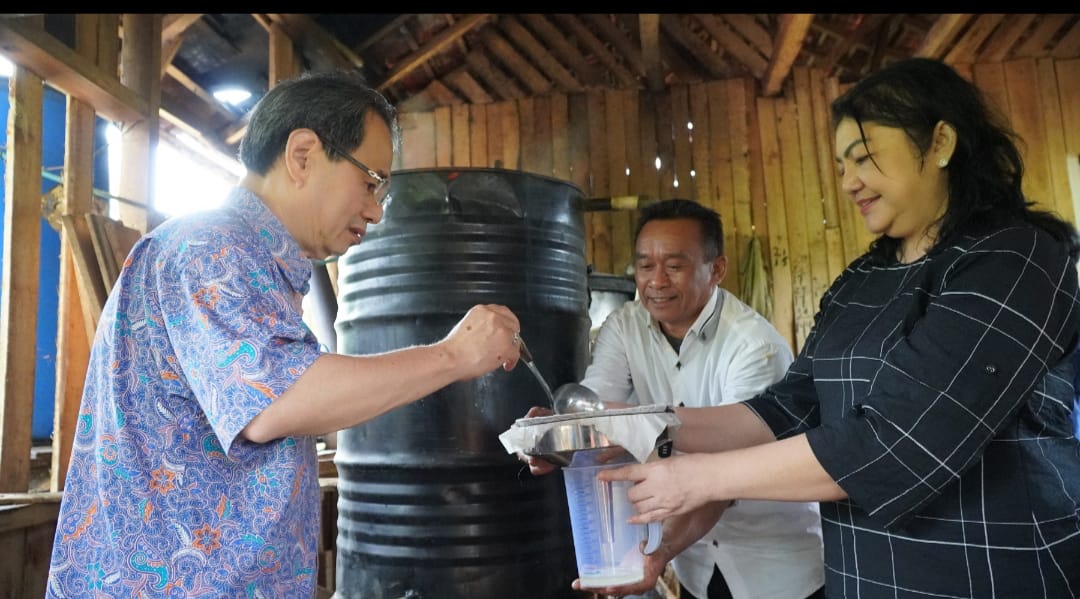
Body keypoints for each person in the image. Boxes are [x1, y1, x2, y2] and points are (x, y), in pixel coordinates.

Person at [600, 57, 1080, 598]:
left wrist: (692, 479)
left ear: (941, 142)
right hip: (865, 576)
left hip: (990, 573)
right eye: (841, 165)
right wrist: (641, 422)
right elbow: (791, 406)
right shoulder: (864, 279)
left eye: (864, 158)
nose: (850, 182)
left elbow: (897, 445)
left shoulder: (1015, 259)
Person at [45, 71, 523, 597]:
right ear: (302, 155)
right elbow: (275, 401)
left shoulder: (258, 268)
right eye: (369, 182)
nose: (376, 211)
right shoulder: (207, 249)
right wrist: (455, 355)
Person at [526, 199, 825, 599]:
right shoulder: (626, 326)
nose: (656, 281)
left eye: (674, 266)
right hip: (696, 565)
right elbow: (596, 410)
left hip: (772, 564)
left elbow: (725, 480)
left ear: (716, 269)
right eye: (645, 266)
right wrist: (555, 436)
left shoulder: (754, 347)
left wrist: (662, 549)